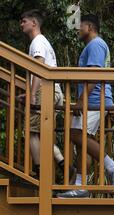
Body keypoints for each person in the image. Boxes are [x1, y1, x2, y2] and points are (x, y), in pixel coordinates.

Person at [57, 14, 114, 198]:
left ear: (89, 27)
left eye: (80, 26)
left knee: (76, 135)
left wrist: (81, 99)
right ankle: (80, 186)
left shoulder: (96, 44)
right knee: (82, 142)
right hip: (93, 99)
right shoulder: (93, 45)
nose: (78, 30)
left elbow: (95, 74)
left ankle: (113, 167)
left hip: (95, 100)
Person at [19, 9, 74, 179]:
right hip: (54, 91)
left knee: (31, 131)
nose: (21, 24)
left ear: (34, 23)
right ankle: (63, 164)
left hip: (45, 90)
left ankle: (40, 171)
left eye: (24, 21)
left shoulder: (37, 42)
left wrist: (33, 94)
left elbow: (39, 69)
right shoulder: (43, 42)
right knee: (42, 132)